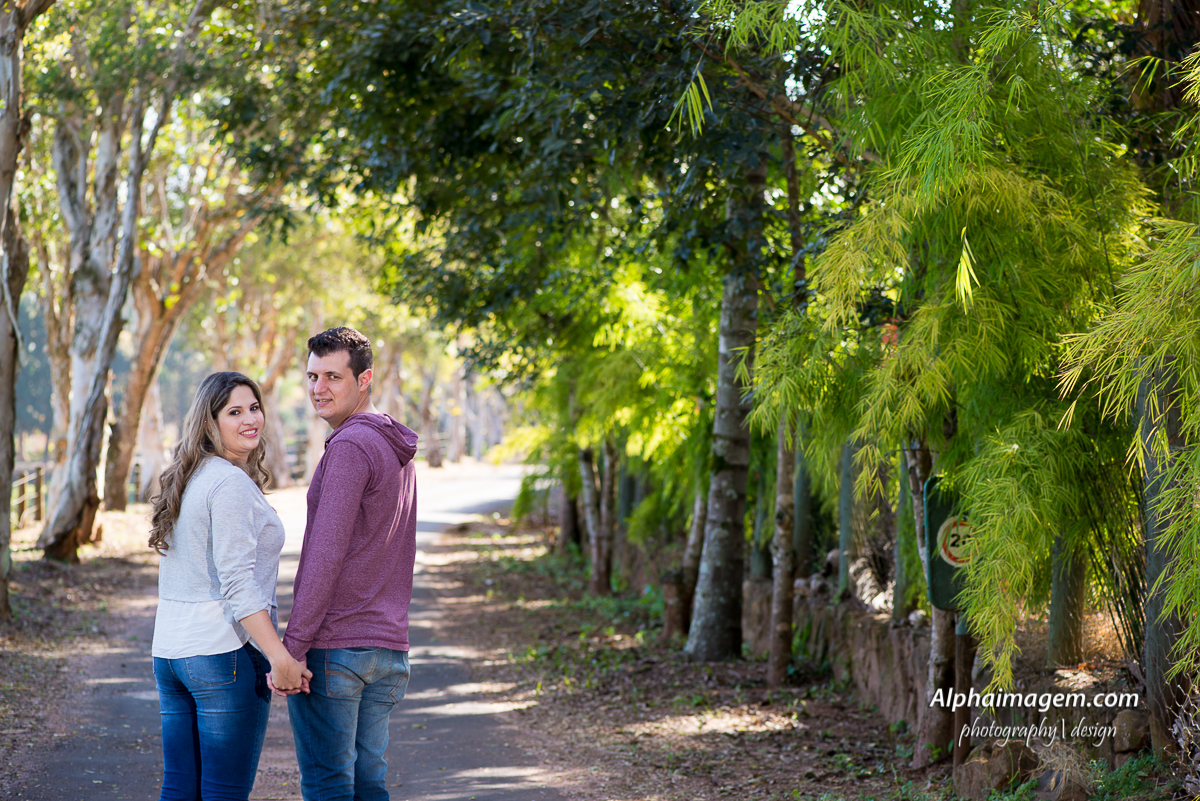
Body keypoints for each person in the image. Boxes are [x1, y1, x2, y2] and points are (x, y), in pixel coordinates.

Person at [149, 372, 311, 801]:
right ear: (209, 422)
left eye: (254, 407)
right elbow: (238, 582)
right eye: (234, 412)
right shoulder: (229, 483)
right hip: (223, 655)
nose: (249, 420)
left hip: (170, 653)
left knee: (181, 787)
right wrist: (279, 656)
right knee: (223, 792)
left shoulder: (191, 476)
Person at [279, 326, 419, 800]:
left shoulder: (350, 447)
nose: (319, 389)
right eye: (313, 376)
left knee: (328, 785)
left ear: (364, 379)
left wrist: (293, 648)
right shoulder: (393, 446)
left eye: (333, 377)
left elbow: (325, 553)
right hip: (386, 651)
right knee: (367, 785)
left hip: (337, 648)